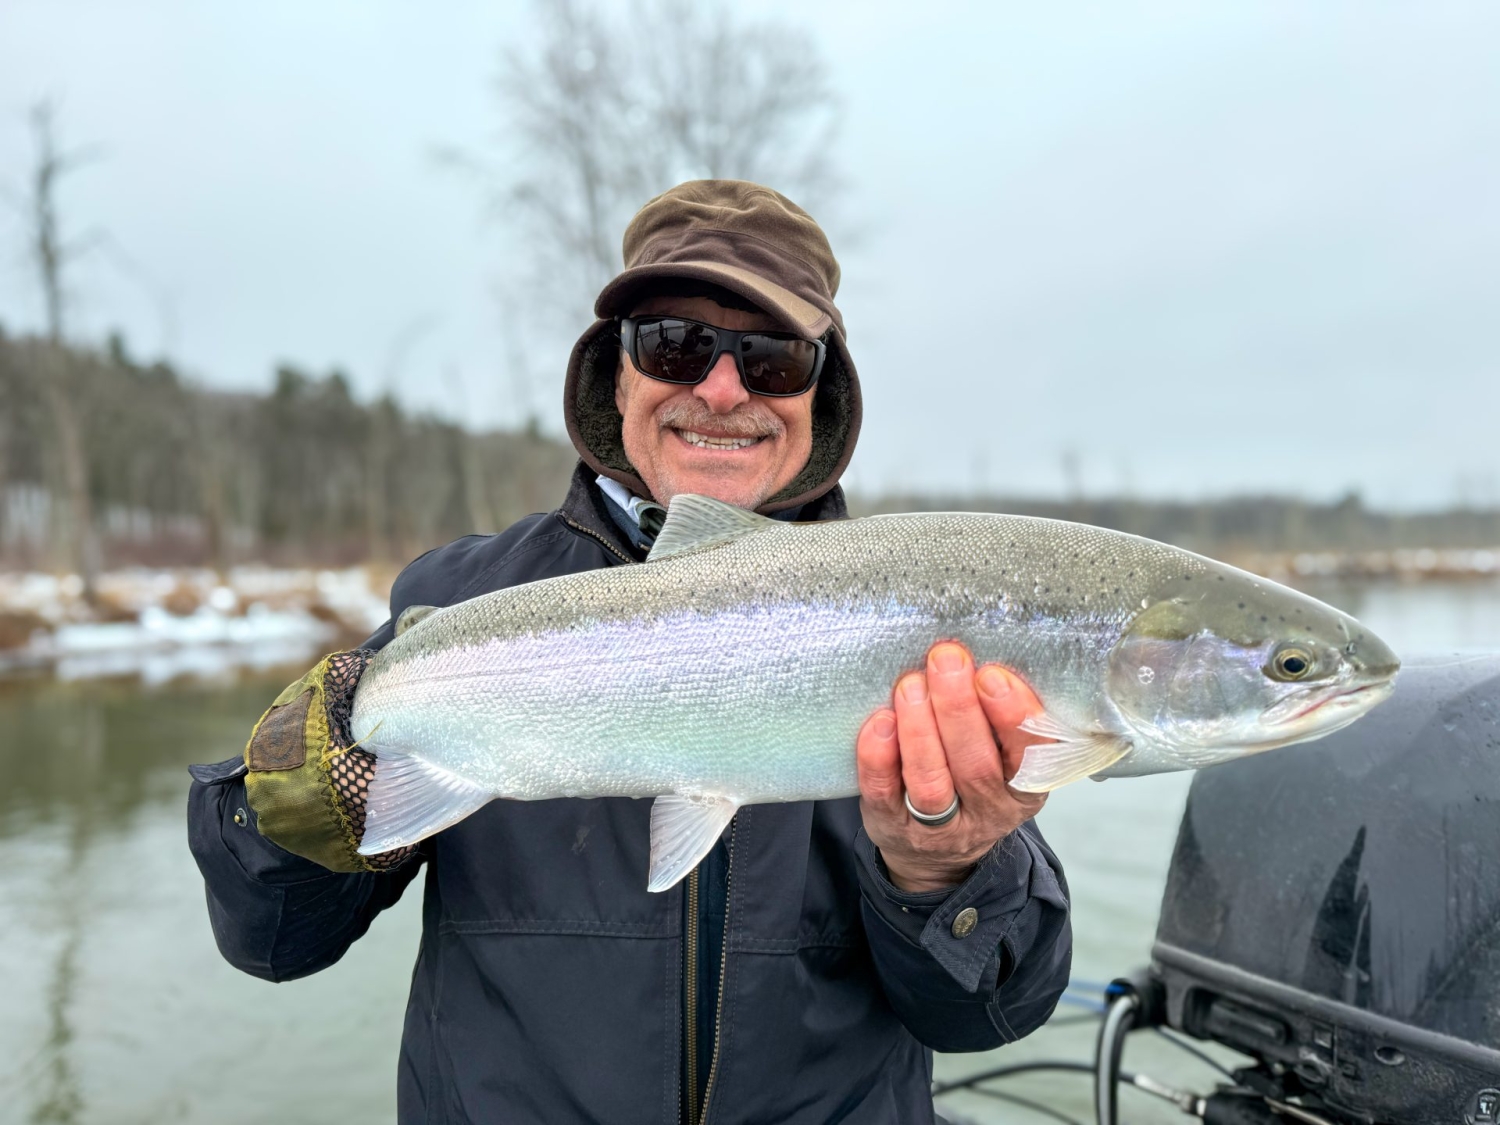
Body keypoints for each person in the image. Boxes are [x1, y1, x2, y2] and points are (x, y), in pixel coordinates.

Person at [188, 180, 1072, 1125]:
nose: (723, 388)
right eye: (676, 344)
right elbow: (269, 939)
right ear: (617, 375)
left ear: (822, 395)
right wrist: (302, 801)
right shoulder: (457, 606)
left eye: (773, 357)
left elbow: (993, 1013)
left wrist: (948, 873)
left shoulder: (923, 620)